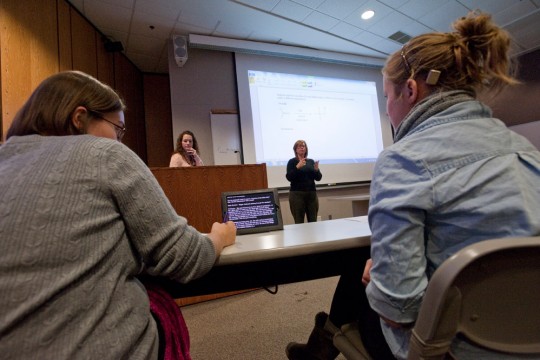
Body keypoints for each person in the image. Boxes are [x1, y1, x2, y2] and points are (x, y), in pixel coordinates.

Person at [286, 11, 540, 360]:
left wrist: (379, 280)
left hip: (446, 348)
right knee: (367, 259)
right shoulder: (525, 149)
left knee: (364, 273)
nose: (388, 111)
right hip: (528, 336)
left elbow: (398, 310)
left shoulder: (401, 160)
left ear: (410, 90)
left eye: (387, 98)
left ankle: (324, 343)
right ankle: (323, 344)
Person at [0, 70, 237, 359]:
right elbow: (181, 256)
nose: (120, 142)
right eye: (118, 129)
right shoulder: (106, 154)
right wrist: (219, 237)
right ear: (79, 118)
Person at [286, 140, 323, 223]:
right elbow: (289, 177)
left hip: (311, 195)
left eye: (303, 146)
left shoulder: (310, 161)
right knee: (299, 222)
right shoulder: (292, 162)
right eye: (299, 146)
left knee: (313, 221)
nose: (302, 148)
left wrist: (317, 170)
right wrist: (297, 167)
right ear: (295, 150)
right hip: (297, 195)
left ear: (306, 149)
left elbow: (318, 178)